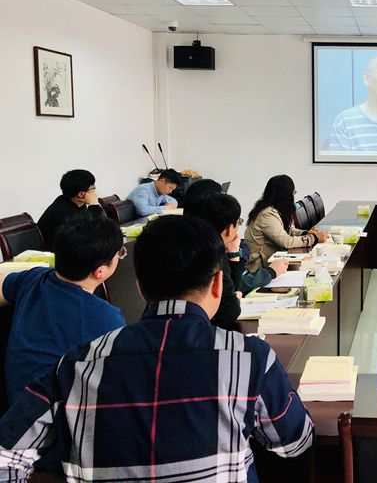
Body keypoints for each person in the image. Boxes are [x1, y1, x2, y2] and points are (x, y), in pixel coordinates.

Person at [0, 215, 314, 481]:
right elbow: (295, 444)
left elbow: (6, 456)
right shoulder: (250, 358)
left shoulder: (75, 364)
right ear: (218, 284)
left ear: (139, 287)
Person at [1, 213, 124, 406]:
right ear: (100, 271)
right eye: (120, 254)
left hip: (17, 407)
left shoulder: (34, 278)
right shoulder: (107, 318)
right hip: (55, 415)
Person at [183, 192, 243, 328]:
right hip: (204, 328)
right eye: (238, 222)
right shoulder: (214, 253)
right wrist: (236, 299)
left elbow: (232, 288)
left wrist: (234, 253)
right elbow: (229, 312)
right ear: (229, 229)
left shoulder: (199, 244)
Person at [244, 175, 328, 273]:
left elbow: (290, 230)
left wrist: (306, 233)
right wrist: (314, 238)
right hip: (261, 268)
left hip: (274, 259)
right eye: (292, 192)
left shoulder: (278, 209)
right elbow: (286, 242)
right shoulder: (267, 214)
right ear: (286, 195)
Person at [37, 169, 105, 250]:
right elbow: (89, 233)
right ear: (81, 194)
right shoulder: (62, 211)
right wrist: (94, 205)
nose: (95, 193)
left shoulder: (73, 202)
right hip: (56, 254)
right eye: (93, 189)